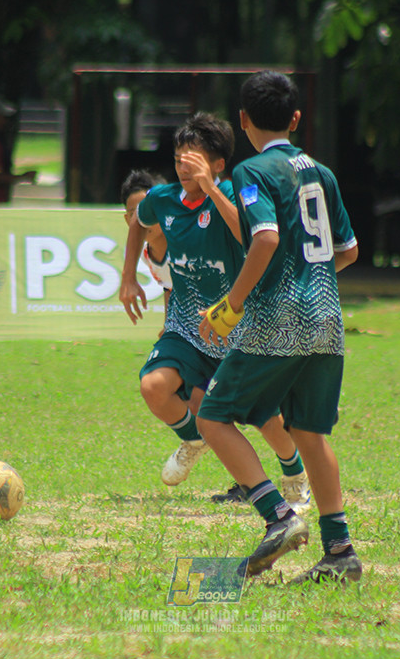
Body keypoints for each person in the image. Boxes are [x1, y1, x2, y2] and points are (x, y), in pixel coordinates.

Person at [196, 71, 361, 583]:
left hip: (278, 317)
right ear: (295, 118)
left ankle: (279, 517)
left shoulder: (252, 170)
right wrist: (310, 282)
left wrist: (231, 304)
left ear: (243, 120)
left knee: (214, 416)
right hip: (327, 316)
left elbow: (264, 238)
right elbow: (349, 251)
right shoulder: (322, 173)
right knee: (310, 433)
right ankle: (339, 552)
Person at [118, 113, 310, 510]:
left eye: (194, 160)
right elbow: (139, 222)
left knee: (263, 417)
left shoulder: (237, 196)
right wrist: (128, 279)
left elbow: (252, 236)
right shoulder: (164, 200)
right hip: (187, 328)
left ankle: (294, 474)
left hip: (237, 327)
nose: (183, 168)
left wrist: (210, 188)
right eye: (178, 160)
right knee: (153, 386)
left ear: (219, 164)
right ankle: (195, 438)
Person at [120, 169, 170, 333]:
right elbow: (169, 285)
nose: (143, 220)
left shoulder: (183, 243)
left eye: (148, 211)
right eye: (134, 214)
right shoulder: (143, 253)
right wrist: (168, 325)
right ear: (128, 220)